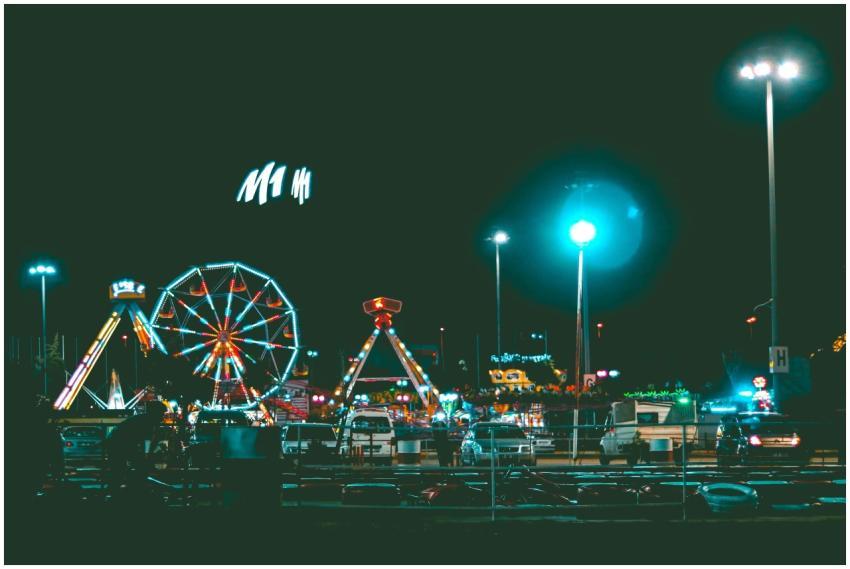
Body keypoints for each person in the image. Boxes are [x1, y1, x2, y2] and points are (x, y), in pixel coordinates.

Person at [104, 402, 166, 493]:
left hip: (118, 442)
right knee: (121, 469)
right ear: (156, 413)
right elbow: (147, 441)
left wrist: (145, 456)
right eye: (162, 413)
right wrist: (146, 457)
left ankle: (118, 489)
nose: (163, 416)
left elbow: (147, 441)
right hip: (119, 443)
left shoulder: (144, 419)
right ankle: (130, 488)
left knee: (120, 468)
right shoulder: (148, 422)